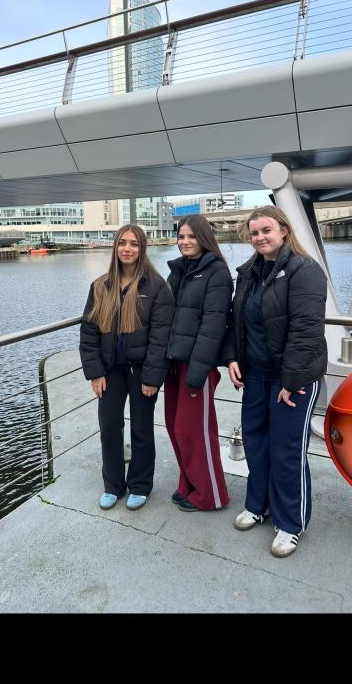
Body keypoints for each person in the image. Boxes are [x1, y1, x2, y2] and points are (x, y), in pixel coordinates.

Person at [223, 205, 327, 557]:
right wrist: (233, 357)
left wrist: (292, 378)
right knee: (255, 443)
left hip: (291, 379)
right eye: (254, 233)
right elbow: (236, 320)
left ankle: (290, 523)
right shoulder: (249, 272)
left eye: (266, 230)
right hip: (255, 376)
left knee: (286, 451)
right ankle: (258, 505)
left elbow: (306, 329)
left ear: (284, 230)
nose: (259, 237)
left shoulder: (305, 270)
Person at [79, 224, 174, 510]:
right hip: (110, 371)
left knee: (142, 429)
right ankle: (113, 485)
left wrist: (152, 377)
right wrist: (94, 371)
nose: (127, 249)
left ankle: (141, 484)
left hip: (142, 371)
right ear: (115, 247)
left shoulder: (157, 287)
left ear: (142, 249)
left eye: (134, 243)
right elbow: (89, 332)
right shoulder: (100, 285)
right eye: (122, 243)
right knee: (109, 426)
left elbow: (161, 337)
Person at [165, 214, 233, 512]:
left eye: (191, 236)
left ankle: (210, 495)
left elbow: (213, 326)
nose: (185, 242)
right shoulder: (180, 271)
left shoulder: (216, 272)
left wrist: (198, 371)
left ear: (203, 238)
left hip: (196, 366)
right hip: (173, 364)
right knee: (174, 428)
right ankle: (188, 484)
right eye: (181, 236)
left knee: (194, 431)